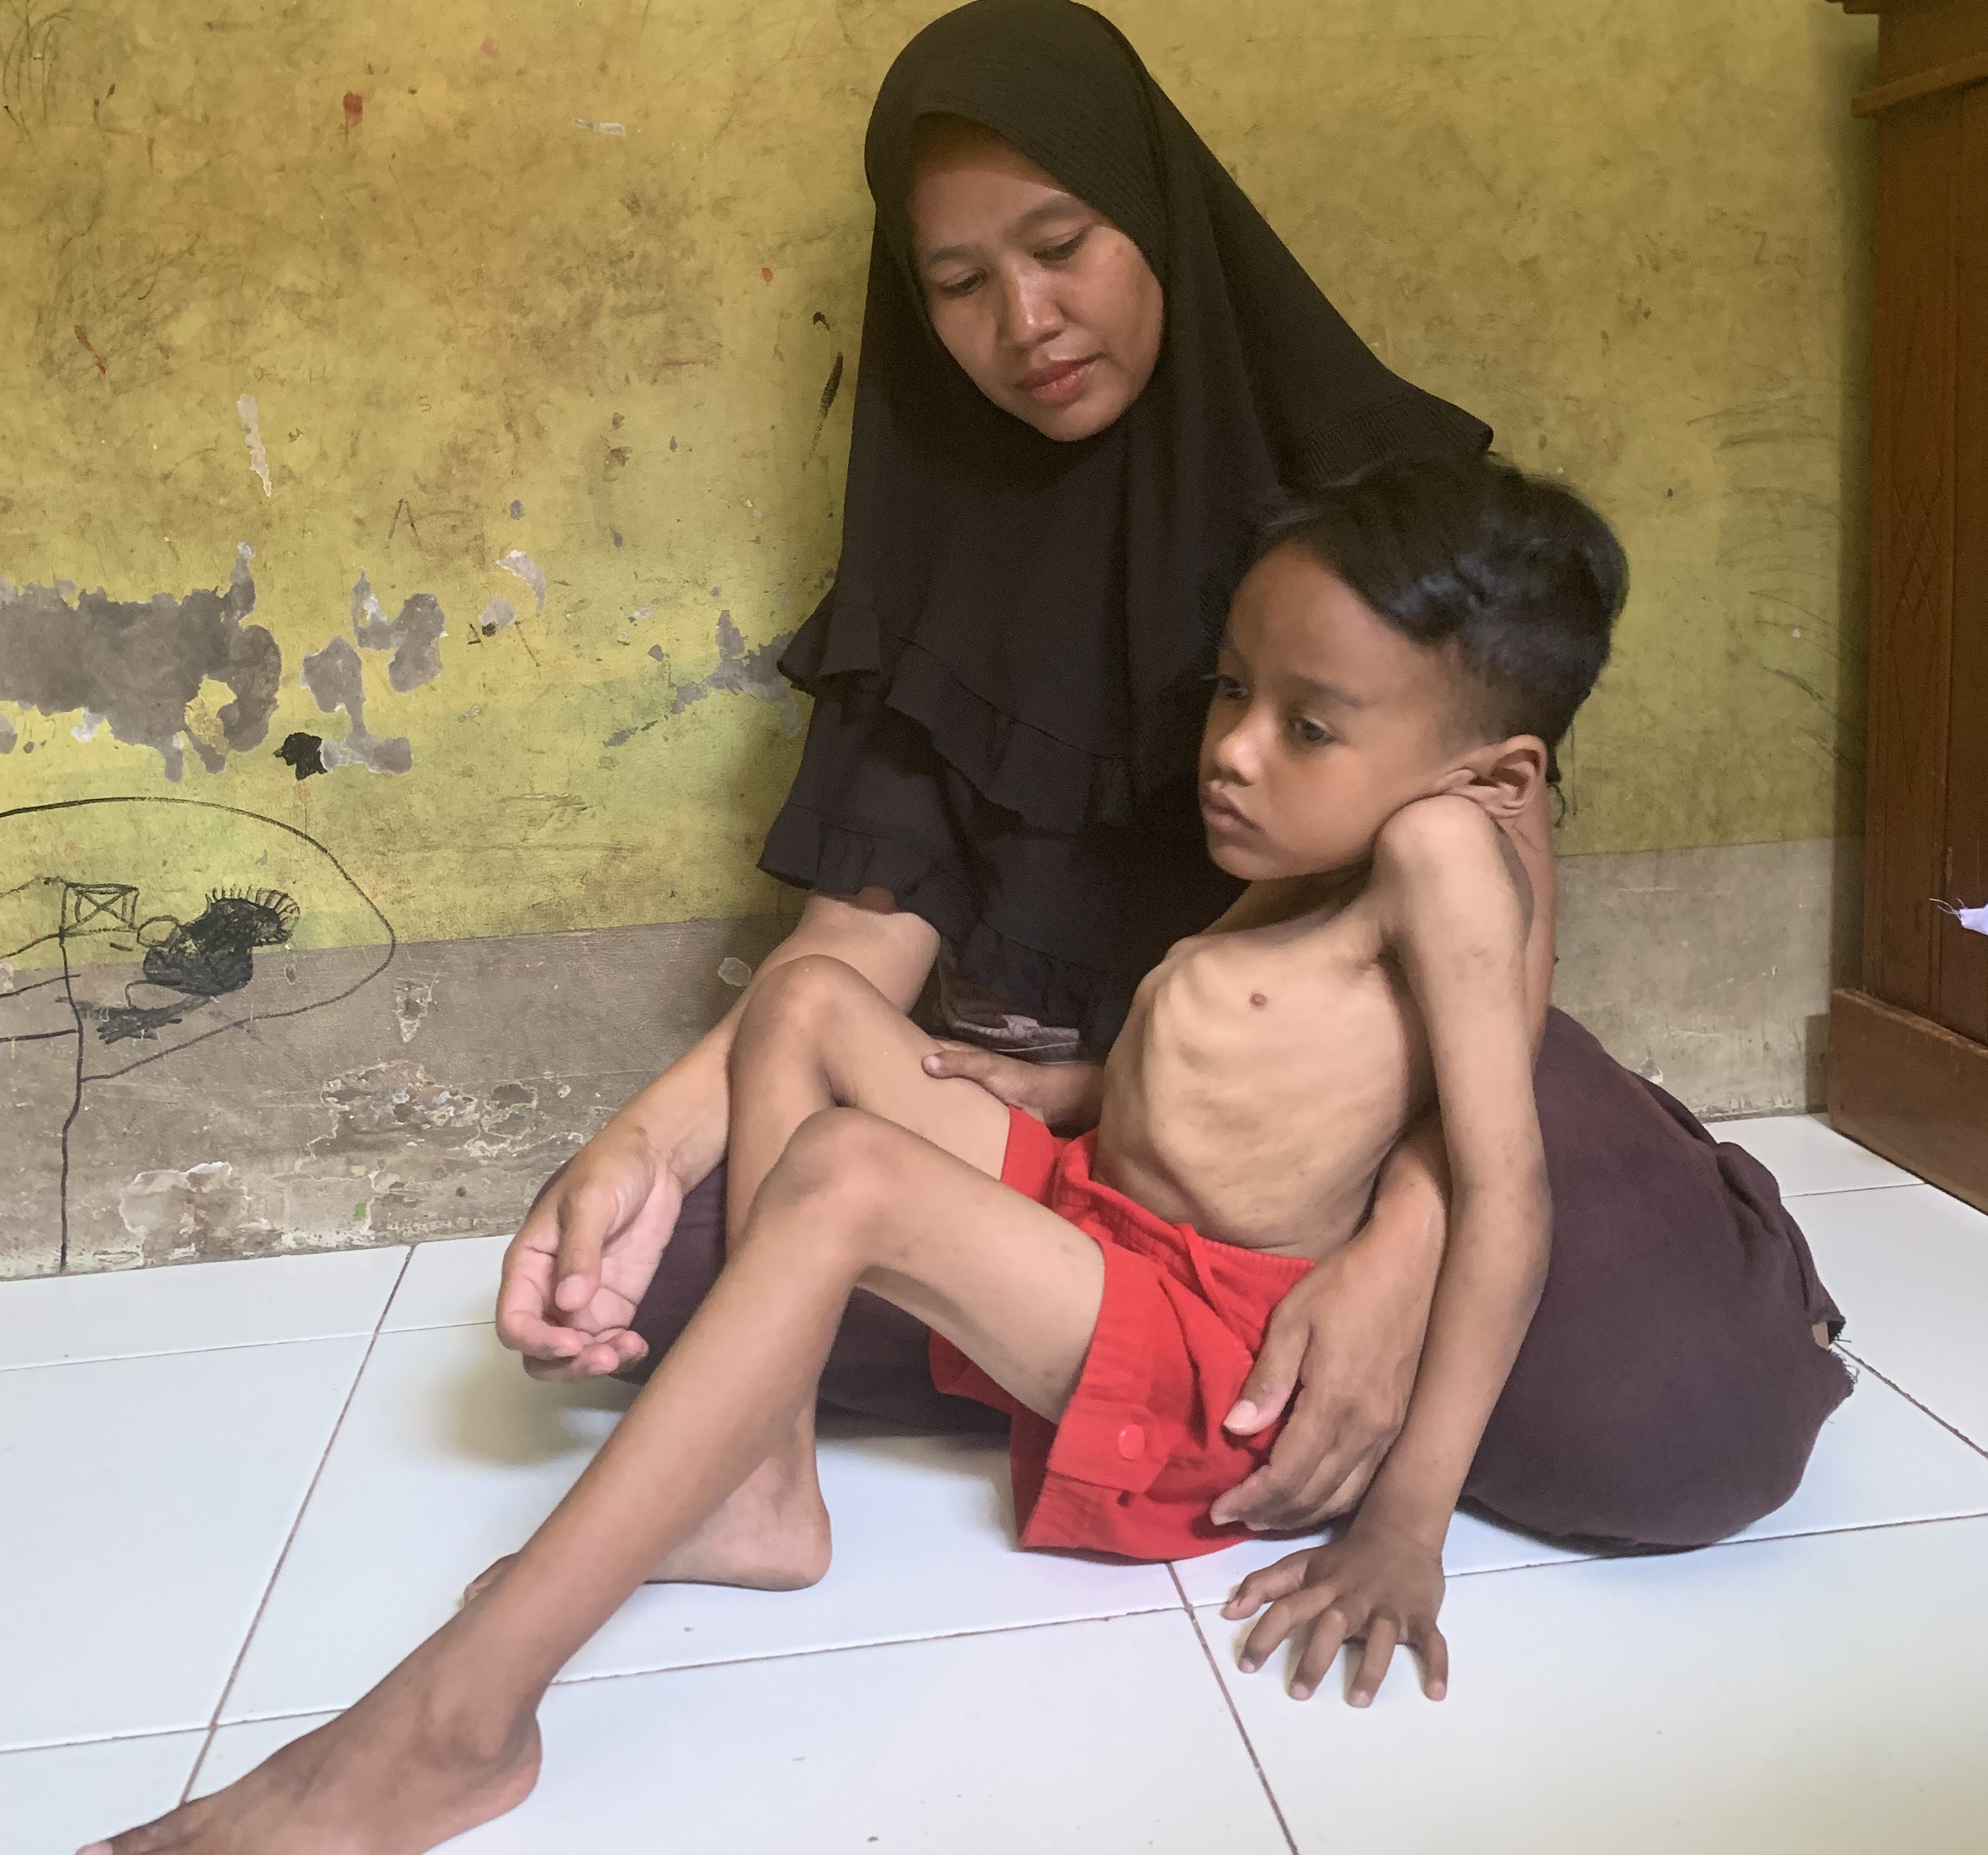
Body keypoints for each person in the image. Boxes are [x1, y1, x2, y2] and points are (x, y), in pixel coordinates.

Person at [85, 452, 1668, 1855]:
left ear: (1496, 773)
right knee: (807, 1008)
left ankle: (458, 1722)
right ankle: (762, 1487)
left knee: (844, 1176)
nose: (1235, 750)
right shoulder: (1331, 834)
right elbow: (1272, 1057)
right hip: (1112, 1226)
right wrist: (1067, 1088)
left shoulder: (1444, 850)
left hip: (1210, 1356)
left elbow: (1504, 1195)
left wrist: (1406, 1523)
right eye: (1231, 689)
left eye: (1306, 723)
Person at [493, 0, 1851, 1554]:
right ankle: (1162, 1355)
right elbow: (853, 945)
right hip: (1088, 1132)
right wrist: (643, 1144)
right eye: (958, 283)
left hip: (1379, 1115)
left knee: (1687, 1428)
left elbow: (1507, 909)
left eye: (1062, 244)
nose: (1026, 320)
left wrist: (1399, 1256)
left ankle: (1212, 1355)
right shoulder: (931, 540)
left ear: (1154, 211)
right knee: (641, 1270)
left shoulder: (1379, 507)